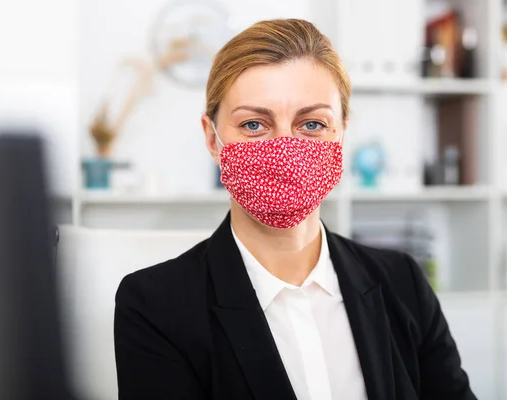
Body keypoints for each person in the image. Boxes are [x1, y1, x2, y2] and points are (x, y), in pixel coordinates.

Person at [114, 19, 476, 400]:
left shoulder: (403, 283)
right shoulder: (154, 306)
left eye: (312, 123)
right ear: (212, 138)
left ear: (341, 133)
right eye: (254, 124)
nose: (284, 150)